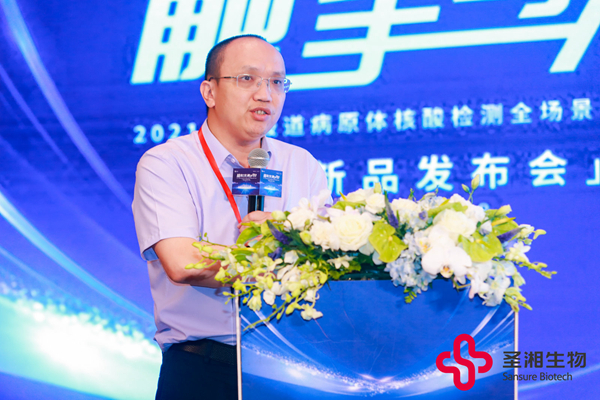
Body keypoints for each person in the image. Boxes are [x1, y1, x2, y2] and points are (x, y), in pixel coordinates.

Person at [132, 34, 329, 399]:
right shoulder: (167, 163)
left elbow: (328, 266)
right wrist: (281, 251)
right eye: (247, 79)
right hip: (204, 369)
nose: (265, 94)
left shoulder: (302, 165)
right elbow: (184, 263)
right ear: (209, 92)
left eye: (277, 82)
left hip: (296, 371)